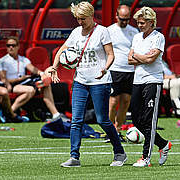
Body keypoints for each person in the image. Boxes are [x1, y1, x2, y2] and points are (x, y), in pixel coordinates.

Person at [46, 1, 126, 167]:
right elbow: (62, 50)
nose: (80, 22)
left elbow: (111, 54)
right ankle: (74, 157)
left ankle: (119, 153)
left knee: (103, 120)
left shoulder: (102, 32)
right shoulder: (76, 32)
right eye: (77, 18)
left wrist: (105, 68)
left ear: (91, 16)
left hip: (100, 82)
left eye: (83, 18)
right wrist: (54, 66)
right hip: (80, 82)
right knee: (76, 120)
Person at [128, 7, 171, 167]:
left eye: (142, 23)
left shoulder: (158, 37)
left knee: (149, 119)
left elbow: (150, 60)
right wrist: (143, 57)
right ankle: (164, 144)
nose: (139, 25)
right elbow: (129, 59)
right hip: (137, 81)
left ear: (151, 22)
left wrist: (139, 56)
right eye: (138, 22)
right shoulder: (137, 37)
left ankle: (146, 158)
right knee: (136, 119)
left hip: (153, 81)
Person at [1, 36, 63, 120]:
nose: (11, 47)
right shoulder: (4, 61)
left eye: (13, 45)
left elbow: (33, 69)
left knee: (46, 84)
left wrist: (42, 74)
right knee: (30, 90)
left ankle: (55, 114)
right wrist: (19, 79)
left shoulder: (23, 59)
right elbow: (3, 79)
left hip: (24, 83)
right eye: (8, 45)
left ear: (18, 46)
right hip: (12, 84)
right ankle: (9, 112)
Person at [107, 5, 139, 141]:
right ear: (116, 16)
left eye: (127, 19)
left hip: (130, 70)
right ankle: (109, 130)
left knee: (126, 101)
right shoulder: (109, 31)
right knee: (113, 101)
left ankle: (118, 130)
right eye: (122, 19)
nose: (125, 22)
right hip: (115, 69)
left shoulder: (134, 31)